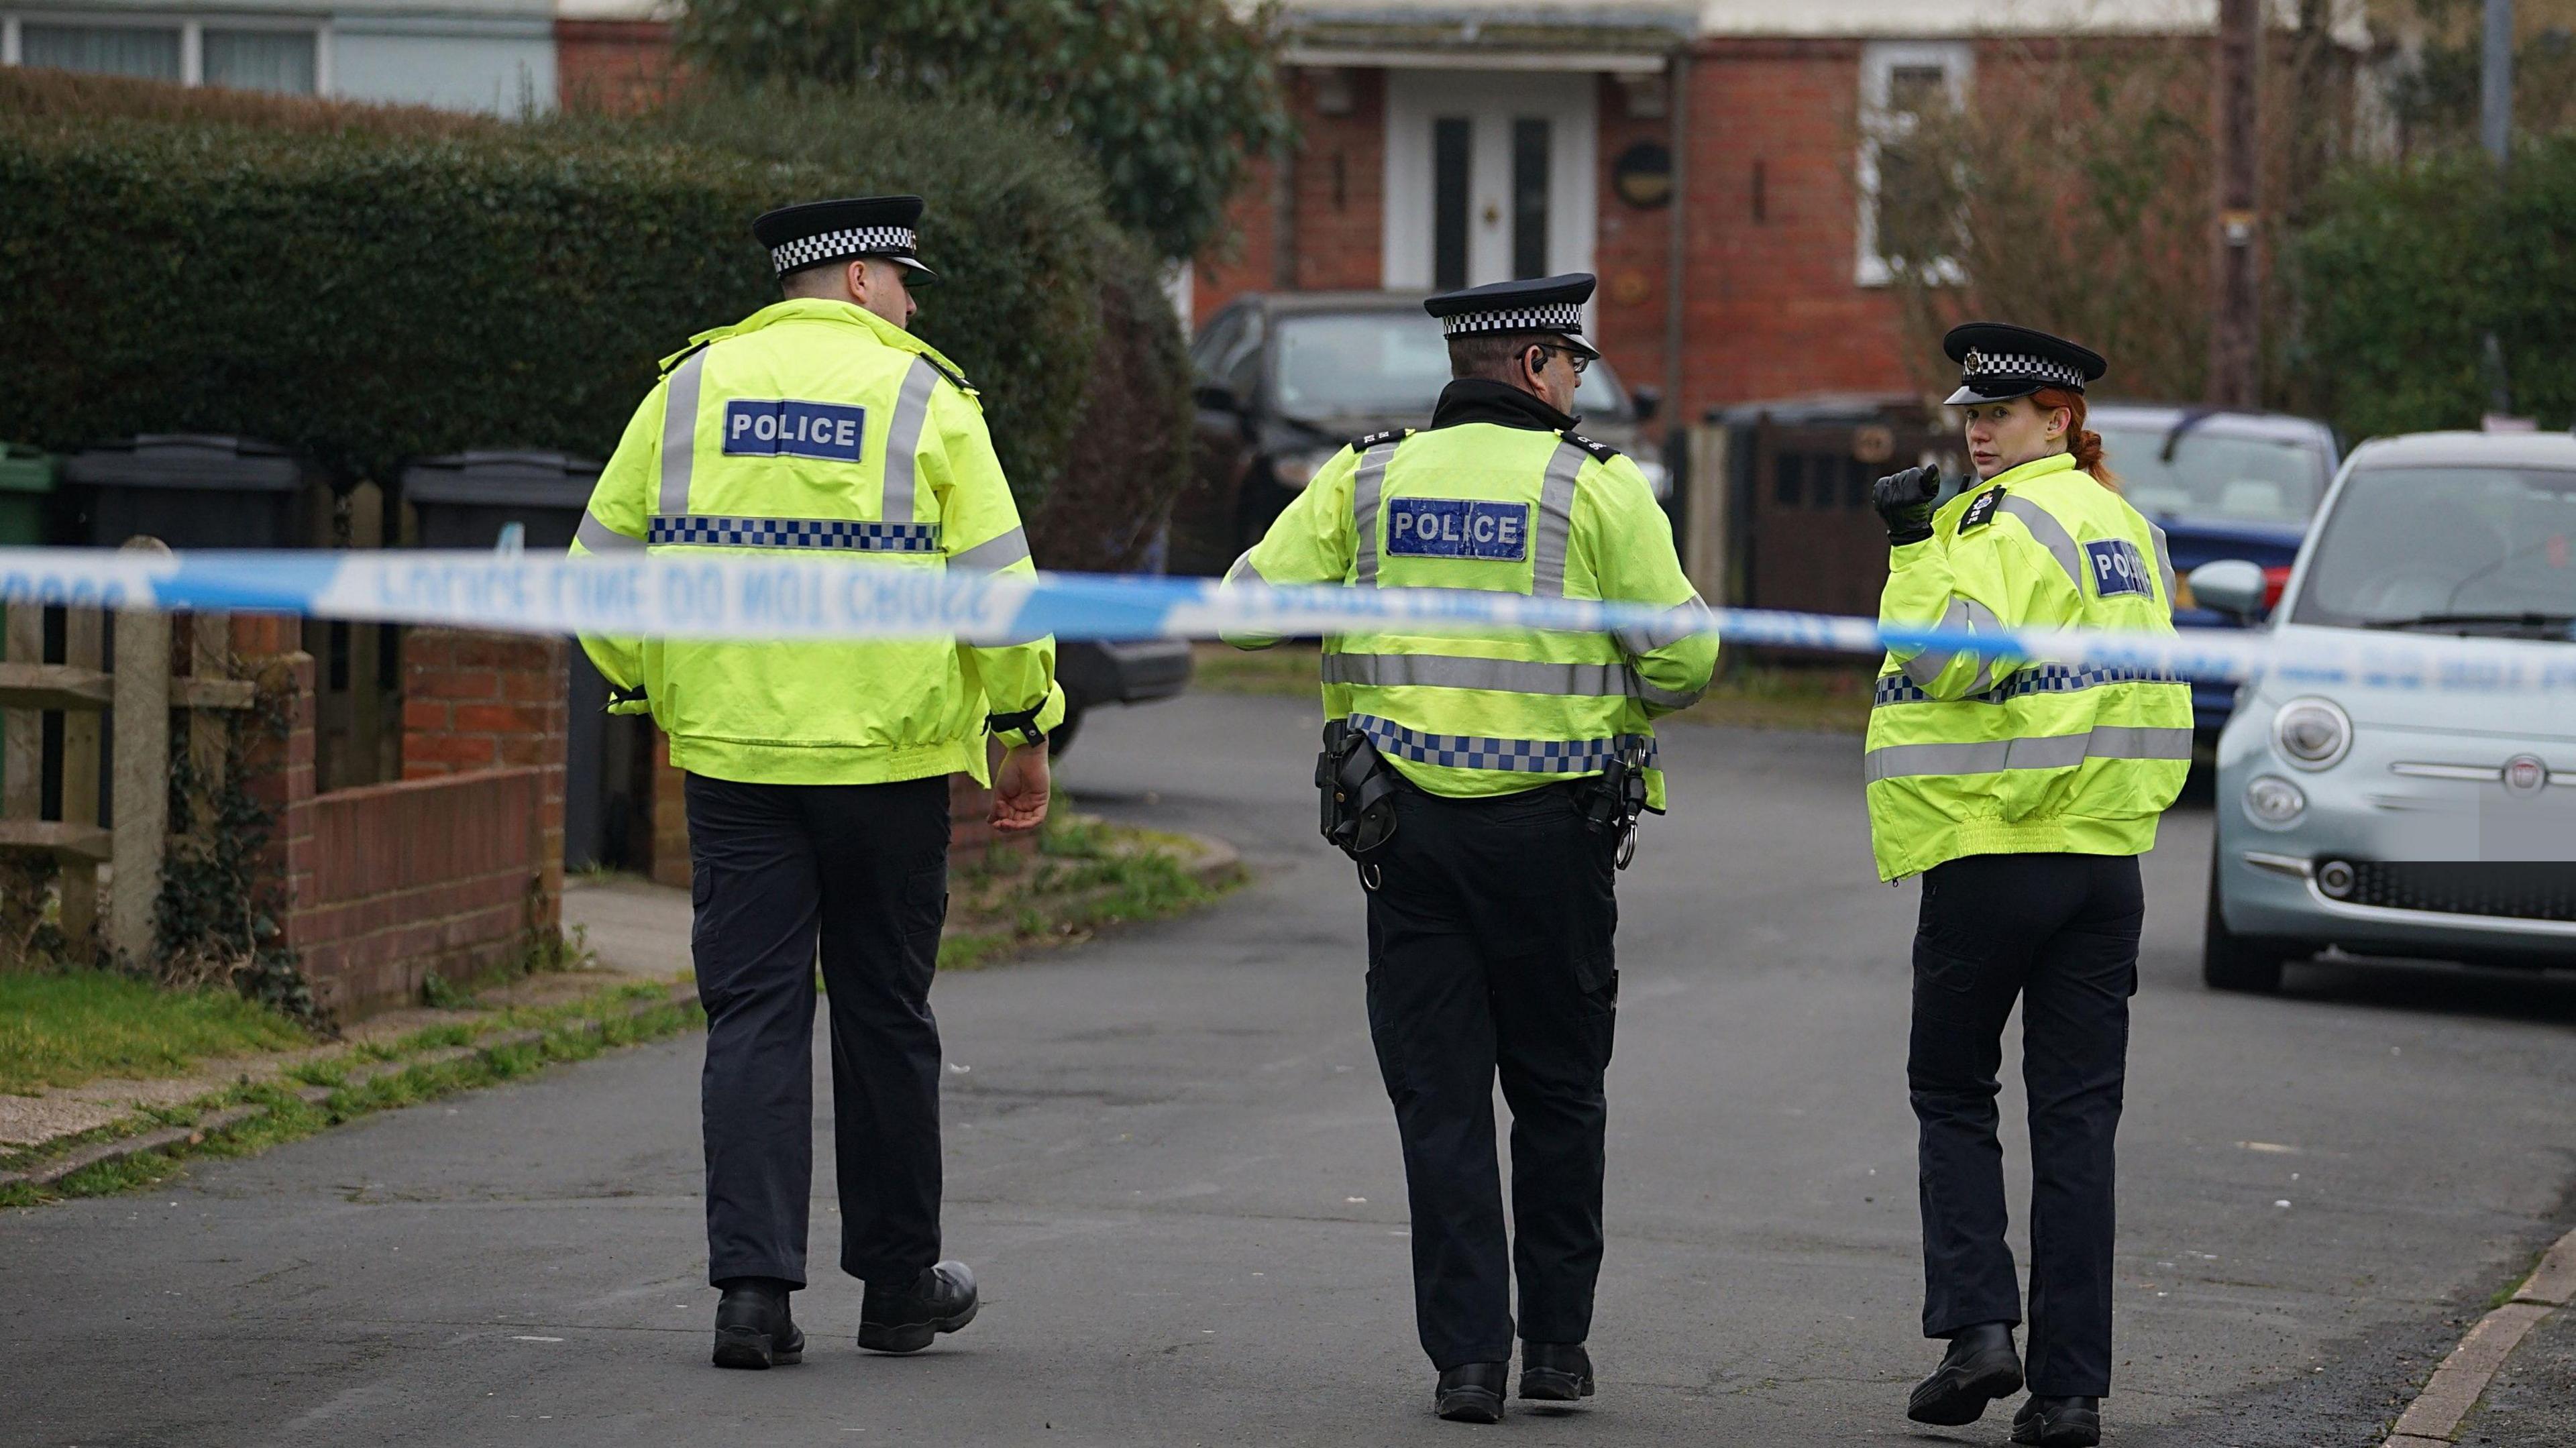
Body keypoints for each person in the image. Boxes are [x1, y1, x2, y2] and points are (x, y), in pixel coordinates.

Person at [570, 194, 1064, 1371]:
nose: (913, 301)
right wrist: (1021, 725)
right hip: (887, 768)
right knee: (887, 1018)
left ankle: (753, 1297)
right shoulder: (926, 398)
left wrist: (657, 691)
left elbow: (597, 569)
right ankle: (898, 1292)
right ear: (855, 280)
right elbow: (998, 583)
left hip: (736, 764)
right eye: (904, 279)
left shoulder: (686, 391)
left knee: (753, 1016)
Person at [1220, 274, 1719, 1423]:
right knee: (1557, 1089)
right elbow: (1684, 663)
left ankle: (1466, 1362)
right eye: (1577, 367)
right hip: (1555, 839)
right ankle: (1554, 1347)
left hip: (1407, 837)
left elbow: (1247, 603)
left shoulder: (1367, 474)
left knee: (1440, 1100)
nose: (1581, 387)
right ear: (1539, 367)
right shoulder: (1598, 487)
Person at [1867, 323, 2193, 1447]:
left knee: (1953, 1092)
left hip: (1995, 846)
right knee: (2077, 1126)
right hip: (2105, 867)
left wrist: (1912, 540)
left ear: (2058, 422)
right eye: (1970, 414)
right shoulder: (2131, 532)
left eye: (1999, 415)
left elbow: (1951, 659)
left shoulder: (1992, 525)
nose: (1977, 433)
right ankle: (2071, 1395)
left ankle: (1978, 1332)